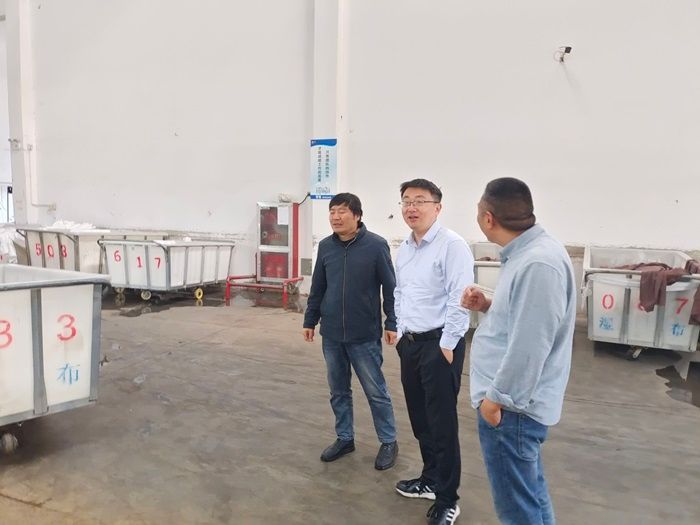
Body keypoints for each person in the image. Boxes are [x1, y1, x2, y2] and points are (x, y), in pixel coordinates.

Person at [462, 177, 576, 525]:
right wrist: (489, 304)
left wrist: (497, 401)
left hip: (512, 412)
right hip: (512, 409)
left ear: (488, 218)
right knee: (531, 496)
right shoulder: (528, 253)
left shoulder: (538, 263)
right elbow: (527, 318)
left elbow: (531, 346)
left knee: (517, 511)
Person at [392, 179, 474, 525]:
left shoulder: (452, 246)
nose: (412, 207)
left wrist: (448, 343)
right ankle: (430, 479)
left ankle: (447, 498)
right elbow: (400, 293)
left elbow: (460, 297)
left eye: (420, 201)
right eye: (406, 201)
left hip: (440, 345)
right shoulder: (405, 248)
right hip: (411, 344)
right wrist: (400, 333)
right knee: (420, 419)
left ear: (437, 208)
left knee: (442, 423)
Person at [303, 192, 399, 470]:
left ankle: (389, 441)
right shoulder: (326, 247)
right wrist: (310, 320)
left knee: (376, 391)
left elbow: (391, 288)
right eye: (332, 211)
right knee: (338, 390)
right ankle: (345, 438)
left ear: (357, 215)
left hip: (364, 334)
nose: (335, 217)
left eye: (342, 211)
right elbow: (318, 287)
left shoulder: (376, 246)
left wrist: (392, 322)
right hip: (332, 334)